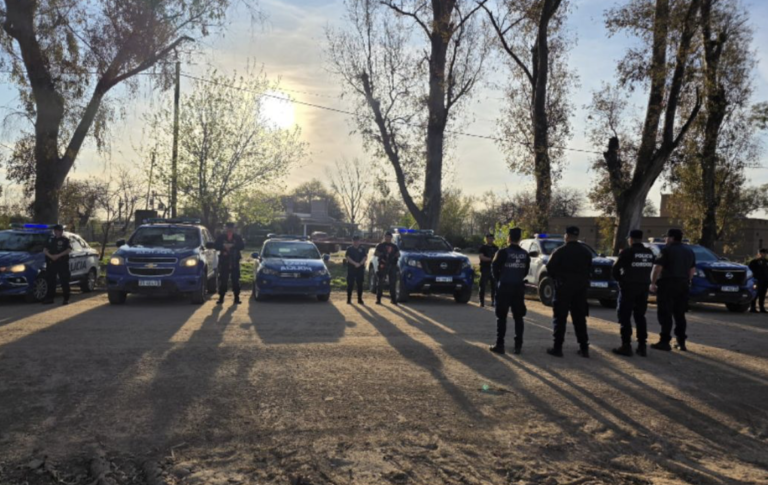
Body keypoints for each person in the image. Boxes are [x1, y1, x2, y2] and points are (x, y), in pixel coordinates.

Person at [546, 226, 592, 358]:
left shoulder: (560, 251)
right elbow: (589, 269)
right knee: (580, 319)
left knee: (560, 319)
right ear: (577, 236)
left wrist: (558, 279)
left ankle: (557, 348)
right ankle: (584, 348)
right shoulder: (586, 252)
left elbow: (549, 268)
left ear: (566, 236)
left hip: (563, 289)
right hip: (580, 290)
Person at [650, 228, 695, 352]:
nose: (665, 239)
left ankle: (665, 341)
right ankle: (681, 342)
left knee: (665, 314)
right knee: (680, 314)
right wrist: (687, 281)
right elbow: (692, 270)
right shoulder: (689, 250)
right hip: (683, 285)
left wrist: (653, 283)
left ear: (671, 238)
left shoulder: (666, 250)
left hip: (667, 284)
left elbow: (657, 267)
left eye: (666, 237)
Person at [611, 229, 655, 357]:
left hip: (629, 287)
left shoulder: (627, 252)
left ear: (631, 239)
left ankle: (626, 345)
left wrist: (621, 281)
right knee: (640, 317)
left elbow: (615, 269)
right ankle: (642, 346)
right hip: (643, 288)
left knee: (625, 316)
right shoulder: (649, 252)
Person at [490, 227, 530, 355]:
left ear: (508, 238)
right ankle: (518, 346)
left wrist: (500, 279)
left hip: (505, 287)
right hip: (518, 288)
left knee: (501, 317)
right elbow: (525, 271)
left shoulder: (502, 252)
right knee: (519, 317)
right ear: (520, 239)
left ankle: (500, 345)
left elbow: (494, 269)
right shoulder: (525, 254)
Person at [215, 222, 245, 305]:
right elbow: (216, 246)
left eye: (231, 228)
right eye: (228, 227)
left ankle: (236, 298)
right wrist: (223, 246)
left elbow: (242, 246)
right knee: (223, 280)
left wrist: (232, 246)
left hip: (234, 261)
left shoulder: (237, 237)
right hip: (224, 261)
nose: (229, 229)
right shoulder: (221, 237)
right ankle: (221, 298)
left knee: (235, 280)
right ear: (225, 228)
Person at [43, 224, 72, 305]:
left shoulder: (65, 240)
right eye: (55, 230)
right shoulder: (50, 239)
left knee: (64, 281)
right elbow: (45, 250)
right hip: (52, 263)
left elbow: (68, 250)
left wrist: (58, 256)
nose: (57, 232)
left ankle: (66, 299)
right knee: (51, 281)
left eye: (59, 230)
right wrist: (51, 256)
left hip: (62, 263)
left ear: (61, 231)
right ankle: (50, 298)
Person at [374, 231, 400, 305]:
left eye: (389, 237)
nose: (387, 238)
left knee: (392, 283)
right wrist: (382, 255)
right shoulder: (380, 245)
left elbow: (398, 254)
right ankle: (378, 299)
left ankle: (393, 299)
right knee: (380, 282)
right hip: (383, 265)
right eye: (386, 236)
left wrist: (393, 256)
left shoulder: (394, 246)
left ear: (391, 238)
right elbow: (376, 253)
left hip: (392, 266)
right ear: (384, 237)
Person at [478, 233, 499, 307]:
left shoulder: (496, 248)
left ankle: (494, 301)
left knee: (494, 287)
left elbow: (499, 258)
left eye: (492, 238)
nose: (491, 239)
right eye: (489, 238)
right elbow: (481, 257)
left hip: (494, 269)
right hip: (485, 269)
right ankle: (481, 301)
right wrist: (491, 259)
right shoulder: (482, 247)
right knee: (482, 285)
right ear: (486, 239)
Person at [345, 235, 367, 305]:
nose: (356, 242)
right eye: (354, 241)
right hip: (351, 269)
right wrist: (355, 263)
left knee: (360, 284)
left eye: (357, 241)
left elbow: (365, 257)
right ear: (352, 241)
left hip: (360, 269)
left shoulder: (362, 249)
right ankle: (349, 299)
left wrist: (360, 263)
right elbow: (348, 257)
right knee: (350, 284)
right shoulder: (349, 249)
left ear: (359, 241)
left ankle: (359, 299)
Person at [748, 248, 768, 313]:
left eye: (765, 253)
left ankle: (762, 307)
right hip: (757, 280)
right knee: (756, 294)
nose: (764, 255)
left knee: (762, 294)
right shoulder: (754, 262)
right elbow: (750, 270)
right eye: (763, 253)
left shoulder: (766, 262)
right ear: (760, 253)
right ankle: (753, 307)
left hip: (765, 281)